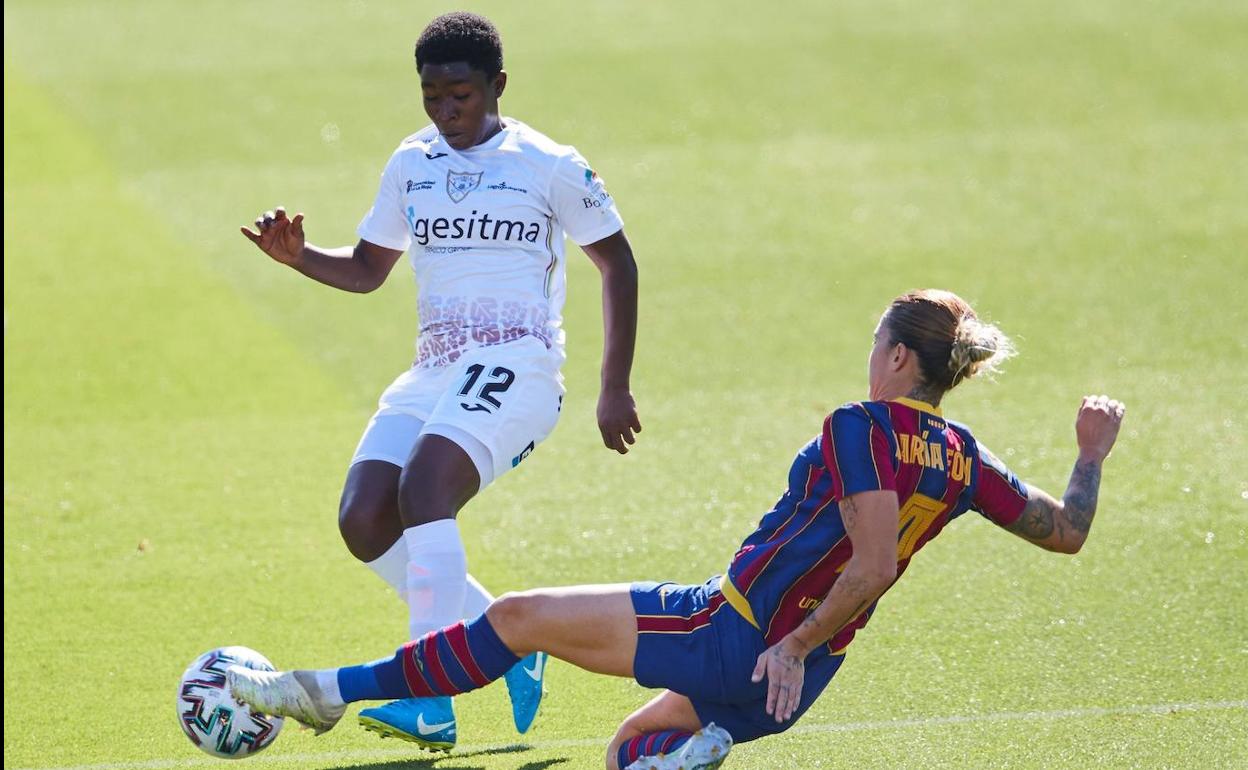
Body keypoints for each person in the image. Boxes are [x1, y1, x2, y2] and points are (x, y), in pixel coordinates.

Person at [228, 289, 1126, 770]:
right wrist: (1089, 454)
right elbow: (1067, 529)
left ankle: (323, 692)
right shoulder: (962, 456)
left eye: (874, 340)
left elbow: (875, 562)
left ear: (897, 355)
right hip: (803, 679)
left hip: (736, 635)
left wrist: (788, 641)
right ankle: (685, 758)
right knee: (629, 750)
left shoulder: (861, 426)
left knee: (516, 619)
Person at [239, 11, 641, 752]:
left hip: (519, 363)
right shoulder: (411, 162)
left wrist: (612, 386)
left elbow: (617, 263)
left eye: (461, 95)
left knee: (424, 489)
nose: (446, 111)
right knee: (365, 518)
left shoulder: (548, 164)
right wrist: (299, 257)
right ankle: (505, 638)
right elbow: (368, 268)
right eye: (432, 97)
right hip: (435, 369)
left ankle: (430, 699)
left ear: (498, 85)